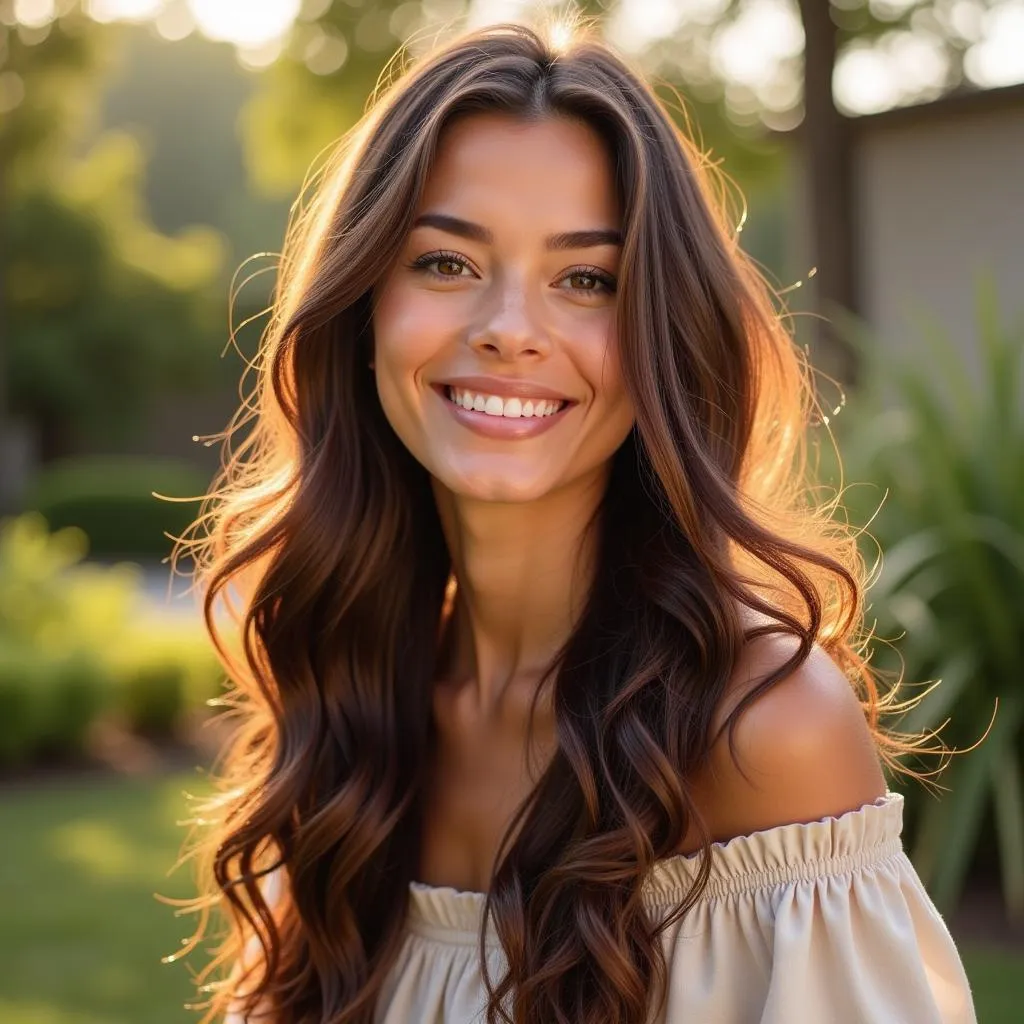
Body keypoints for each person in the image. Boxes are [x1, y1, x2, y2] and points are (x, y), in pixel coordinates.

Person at [181, 19, 976, 1024]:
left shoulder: (766, 732)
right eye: (445, 262)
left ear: (662, 337)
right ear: (363, 311)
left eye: (587, 280)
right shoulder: (349, 700)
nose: (510, 327)